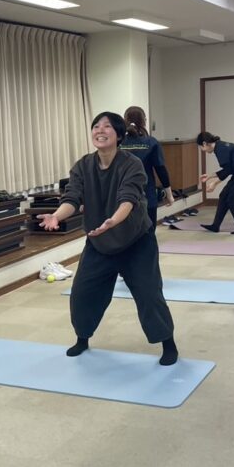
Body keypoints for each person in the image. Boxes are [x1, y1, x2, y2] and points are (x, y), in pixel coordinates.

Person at [38, 112, 178, 366]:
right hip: (99, 243)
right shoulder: (83, 166)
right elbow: (72, 197)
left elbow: (128, 197)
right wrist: (56, 216)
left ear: (119, 135)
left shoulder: (131, 164)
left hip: (136, 242)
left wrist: (114, 220)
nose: (99, 130)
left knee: (149, 294)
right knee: (82, 294)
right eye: (96, 126)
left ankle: (168, 343)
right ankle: (82, 338)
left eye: (106, 127)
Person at [119, 106, 174, 228]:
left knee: (125, 234)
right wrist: (169, 195)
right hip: (147, 195)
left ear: (125, 121)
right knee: (148, 233)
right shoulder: (151, 142)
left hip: (121, 197)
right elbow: (161, 169)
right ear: (144, 121)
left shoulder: (118, 143)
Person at [196, 132, 234, 234]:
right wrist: (210, 176)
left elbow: (227, 170)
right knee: (224, 196)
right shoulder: (220, 147)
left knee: (233, 201)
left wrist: (214, 183)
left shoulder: (220, 149)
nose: (203, 151)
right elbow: (228, 169)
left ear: (204, 143)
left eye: (201, 148)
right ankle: (215, 226)